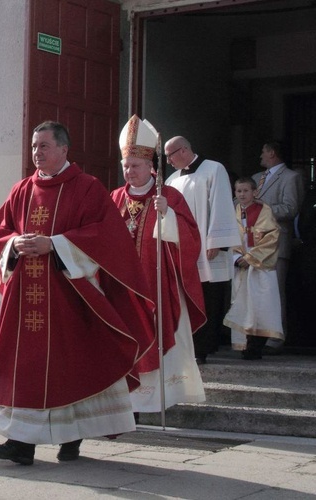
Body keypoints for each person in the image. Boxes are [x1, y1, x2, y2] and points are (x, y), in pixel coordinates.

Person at [0, 120, 155, 466]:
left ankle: (72, 437)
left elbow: (106, 236)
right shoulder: (21, 190)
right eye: (34, 147)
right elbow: (0, 229)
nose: (37, 153)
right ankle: (21, 443)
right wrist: (13, 245)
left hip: (70, 297)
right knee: (27, 368)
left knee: (73, 368)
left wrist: (56, 244)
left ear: (64, 149)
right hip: (26, 299)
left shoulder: (88, 188)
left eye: (44, 146)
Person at [110, 116, 206, 413]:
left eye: (134, 166)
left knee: (161, 338)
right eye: (126, 166)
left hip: (159, 285)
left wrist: (170, 218)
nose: (129, 172)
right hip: (125, 289)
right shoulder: (114, 198)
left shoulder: (169, 195)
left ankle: (161, 398)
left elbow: (192, 239)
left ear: (150, 166)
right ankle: (130, 402)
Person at [164, 136, 240, 364]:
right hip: (182, 248)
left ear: (184, 150)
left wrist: (216, 241)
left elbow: (221, 204)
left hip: (207, 248)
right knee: (186, 297)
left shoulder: (214, 169)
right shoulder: (172, 180)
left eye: (170, 155)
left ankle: (204, 348)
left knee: (209, 297)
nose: (168, 161)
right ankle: (186, 347)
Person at [252, 141, 305, 353]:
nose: (260, 156)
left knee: (274, 291)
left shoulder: (291, 177)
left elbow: (290, 208)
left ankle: (275, 339)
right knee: (255, 291)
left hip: (276, 242)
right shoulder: (256, 179)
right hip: (253, 243)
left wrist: (260, 210)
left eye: (263, 151)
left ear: (272, 153)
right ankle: (255, 337)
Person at [223, 177, 283, 360]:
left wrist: (251, 257)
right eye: (238, 191)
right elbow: (227, 235)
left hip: (259, 266)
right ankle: (244, 344)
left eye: (246, 191)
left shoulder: (264, 211)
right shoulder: (232, 211)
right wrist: (236, 257)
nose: (242, 194)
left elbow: (272, 236)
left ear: (254, 192)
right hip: (240, 265)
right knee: (242, 304)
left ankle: (256, 345)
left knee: (261, 305)